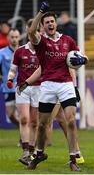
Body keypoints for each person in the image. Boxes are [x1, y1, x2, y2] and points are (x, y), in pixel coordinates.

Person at [18, 2, 88, 171]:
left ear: (56, 23)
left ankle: (73, 158)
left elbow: (77, 60)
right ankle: (39, 153)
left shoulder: (68, 41)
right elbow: (30, 31)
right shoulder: (41, 42)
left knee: (71, 121)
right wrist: (40, 12)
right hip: (48, 86)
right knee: (43, 125)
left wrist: (85, 60)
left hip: (65, 85)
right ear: (42, 26)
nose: (50, 24)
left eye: (52, 21)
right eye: (47, 22)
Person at [7, 19, 41, 166]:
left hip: (39, 88)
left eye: (37, 30)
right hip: (22, 88)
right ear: (28, 33)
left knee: (35, 122)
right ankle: (25, 150)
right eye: (31, 30)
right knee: (24, 119)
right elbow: (13, 68)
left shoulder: (44, 50)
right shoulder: (20, 51)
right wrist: (10, 79)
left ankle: (32, 151)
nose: (34, 33)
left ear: (40, 32)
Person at [0, 28, 20, 127]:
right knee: (11, 115)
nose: (14, 39)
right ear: (8, 38)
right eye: (12, 37)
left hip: (22, 88)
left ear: (19, 37)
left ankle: (24, 138)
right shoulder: (2, 52)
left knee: (23, 115)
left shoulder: (23, 51)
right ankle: (23, 128)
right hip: (8, 88)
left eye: (16, 37)